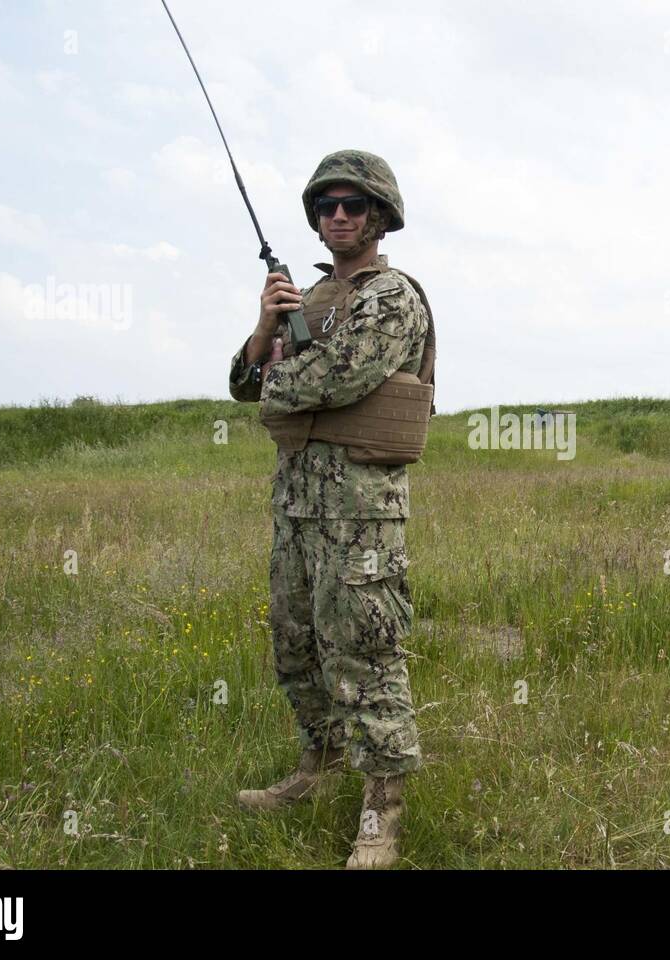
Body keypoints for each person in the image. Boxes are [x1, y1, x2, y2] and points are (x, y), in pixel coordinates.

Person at [227, 149, 433, 869]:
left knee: (366, 655)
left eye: (352, 205)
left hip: (360, 512)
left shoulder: (393, 295)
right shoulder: (303, 301)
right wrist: (264, 329)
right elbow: (244, 384)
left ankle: (383, 808)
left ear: (379, 215)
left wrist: (280, 379)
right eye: (325, 206)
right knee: (297, 647)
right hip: (296, 508)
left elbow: (343, 375)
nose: (337, 217)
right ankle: (320, 766)